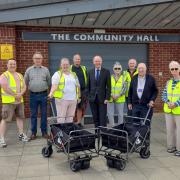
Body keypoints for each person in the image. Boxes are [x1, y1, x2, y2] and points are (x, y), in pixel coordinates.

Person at [0, 60, 29, 147]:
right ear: (7, 65)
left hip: (19, 101)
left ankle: (21, 135)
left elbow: (24, 86)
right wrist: (15, 95)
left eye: (14, 64)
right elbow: (5, 87)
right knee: (5, 119)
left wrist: (21, 94)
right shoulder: (4, 75)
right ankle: (1, 139)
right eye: (11, 64)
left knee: (20, 118)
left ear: (16, 65)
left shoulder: (19, 75)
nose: (12, 65)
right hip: (8, 101)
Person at [24, 52, 51, 140]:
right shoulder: (29, 70)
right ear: (33, 59)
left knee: (44, 114)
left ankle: (44, 132)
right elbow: (25, 82)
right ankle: (33, 133)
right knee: (33, 115)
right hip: (33, 95)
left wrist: (50, 94)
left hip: (44, 94)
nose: (38, 60)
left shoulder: (46, 70)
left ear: (42, 59)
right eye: (36, 58)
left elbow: (49, 82)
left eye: (39, 58)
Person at [49, 58, 80, 123]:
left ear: (69, 65)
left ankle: (67, 132)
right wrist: (51, 93)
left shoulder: (73, 74)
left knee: (70, 118)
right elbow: (54, 85)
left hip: (73, 100)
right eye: (64, 64)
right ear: (61, 65)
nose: (65, 66)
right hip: (62, 100)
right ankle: (61, 132)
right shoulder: (57, 74)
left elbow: (78, 86)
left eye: (67, 64)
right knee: (61, 118)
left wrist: (78, 97)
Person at [162, 61, 180, 156]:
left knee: (179, 131)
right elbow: (164, 95)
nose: (174, 70)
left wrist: (176, 104)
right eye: (172, 69)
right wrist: (168, 102)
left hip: (178, 110)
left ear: (179, 69)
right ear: (170, 70)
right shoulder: (168, 82)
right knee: (170, 130)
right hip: (168, 110)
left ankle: (179, 149)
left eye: (176, 69)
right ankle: (171, 147)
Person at [87, 55, 111, 128]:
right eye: (96, 61)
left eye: (99, 61)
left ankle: (103, 134)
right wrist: (88, 97)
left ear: (101, 62)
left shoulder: (106, 71)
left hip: (103, 99)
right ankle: (97, 134)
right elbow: (87, 86)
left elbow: (109, 86)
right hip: (92, 99)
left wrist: (107, 98)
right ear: (93, 62)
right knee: (95, 117)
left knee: (102, 117)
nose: (98, 62)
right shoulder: (90, 72)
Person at [107, 62, 128, 127]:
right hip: (111, 98)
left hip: (120, 99)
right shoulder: (109, 78)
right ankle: (112, 128)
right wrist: (111, 95)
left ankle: (120, 129)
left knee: (120, 114)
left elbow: (125, 89)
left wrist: (118, 96)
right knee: (110, 114)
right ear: (113, 69)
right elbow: (107, 87)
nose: (117, 70)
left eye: (119, 68)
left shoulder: (124, 78)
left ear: (121, 69)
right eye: (115, 68)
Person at [70, 54, 88, 125]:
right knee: (72, 108)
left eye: (79, 59)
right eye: (76, 59)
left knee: (80, 107)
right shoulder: (70, 68)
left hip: (82, 91)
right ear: (73, 60)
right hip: (72, 92)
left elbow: (87, 78)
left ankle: (78, 122)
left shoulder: (84, 68)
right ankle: (71, 123)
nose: (77, 60)